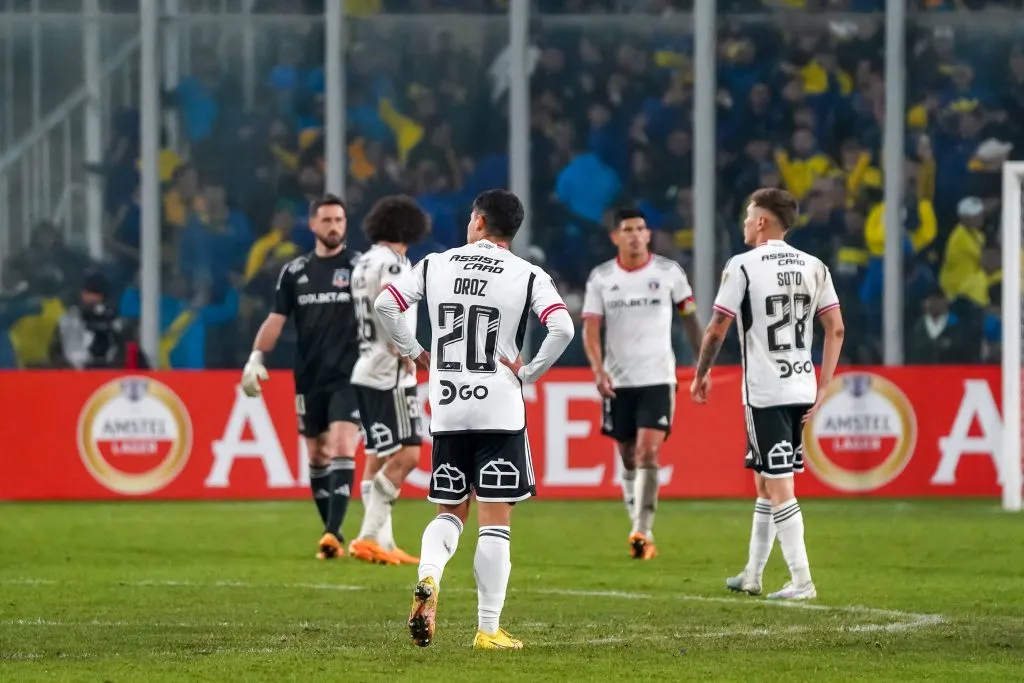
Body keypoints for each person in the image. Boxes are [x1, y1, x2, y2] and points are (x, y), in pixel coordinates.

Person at [373, 189, 574, 650]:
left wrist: (417, 352)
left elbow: (387, 305)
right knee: (495, 520)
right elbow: (562, 327)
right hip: (498, 407)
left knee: (450, 510)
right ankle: (487, 628)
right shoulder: (527, 274)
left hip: (447, 405)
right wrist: (530, 372)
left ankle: (428, 576)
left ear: (479, 221)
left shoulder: (435, 264)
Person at [690, 187, 844, 601]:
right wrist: (825, 382)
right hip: (802, 384)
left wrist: (701, 373)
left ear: (761, 221)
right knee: (765, 480)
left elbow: (718, 327)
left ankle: (802, 580)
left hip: (767, 390)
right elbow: (836, 328)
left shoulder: (742, 266)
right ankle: (753, 574)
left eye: (747, 214)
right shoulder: (815, 266)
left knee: (779, 486)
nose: (743, 222)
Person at [240, 194, 362, 561]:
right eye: (326, 220)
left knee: (342, 444)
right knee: (317, 452)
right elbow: (275, 320)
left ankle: (330, 532)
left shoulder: (359, 267)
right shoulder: (294, 272)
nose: (334, 226)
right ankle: (334, 534)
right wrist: (255, 357)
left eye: (339, 220)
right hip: (309, 376)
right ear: (312, 225)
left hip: (350, 374)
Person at [581, 208, 703, 560]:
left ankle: (642, 530)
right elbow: (591, 328)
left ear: (648, 235)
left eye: (641, 229)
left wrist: (702, 364)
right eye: (628, 230)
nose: (635, 235)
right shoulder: (602, 278)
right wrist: (597, 370)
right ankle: (635, 515)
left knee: (649, 450)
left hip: (658, 377)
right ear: (615, 237)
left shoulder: (669, 273)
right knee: (627, 453)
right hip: (618, 380)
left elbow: (691, 320)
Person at [347, 196, 431, 566]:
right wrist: (407, 348)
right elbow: (390, 304)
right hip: (390, 372)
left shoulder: (362, 261)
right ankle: (367, 537)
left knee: (377, 454)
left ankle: (384, 541)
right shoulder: (395, 264)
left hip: (365, 367)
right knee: (409, 453)